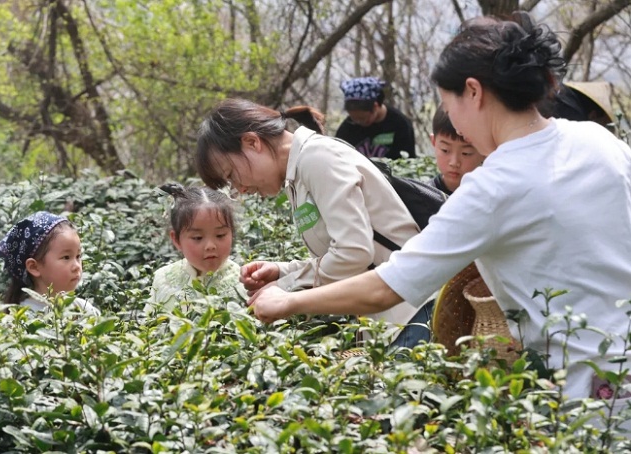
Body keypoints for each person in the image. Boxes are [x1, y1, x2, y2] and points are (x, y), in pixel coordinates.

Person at [248, 11, 631, 402]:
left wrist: (288, 301)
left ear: (473, 91)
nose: (456, 124)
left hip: (587, 397)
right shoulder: (602, 143)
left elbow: (386, 288)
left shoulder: (493, 186)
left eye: (450, 104)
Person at [195, 98, 432, 348]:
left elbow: (354, 253)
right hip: (388, 319)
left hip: (411, 312)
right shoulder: (297, 174)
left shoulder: (317, 158)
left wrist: (286, 287)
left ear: (252, 142)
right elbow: (342, 256)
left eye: (231, 175)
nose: (240, 189)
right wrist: (281, 270)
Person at [150, 184, 246, 308]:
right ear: (176, 240)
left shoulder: (244, 283)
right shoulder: (162, 279)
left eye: (220, 235)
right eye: (197, 238)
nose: (210, 246)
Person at [0, 211, 99, 314]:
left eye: (78, 256)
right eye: (66, 257)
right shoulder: (25, 316)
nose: (77, 266)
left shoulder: (84, 309)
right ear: (34, 267)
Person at [335, 77, 416, 159]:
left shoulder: (400, 124)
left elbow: (408, 160)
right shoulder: (347, 128)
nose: (358, 122)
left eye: (362, 118)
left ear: (375, 106)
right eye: (354, 118)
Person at [429, 106, 483, 195]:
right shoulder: (422, 195)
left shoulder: (491, 196)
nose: (454, 163)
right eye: (445, 150)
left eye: (466, 153)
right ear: (434, 142)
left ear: (484, 151)